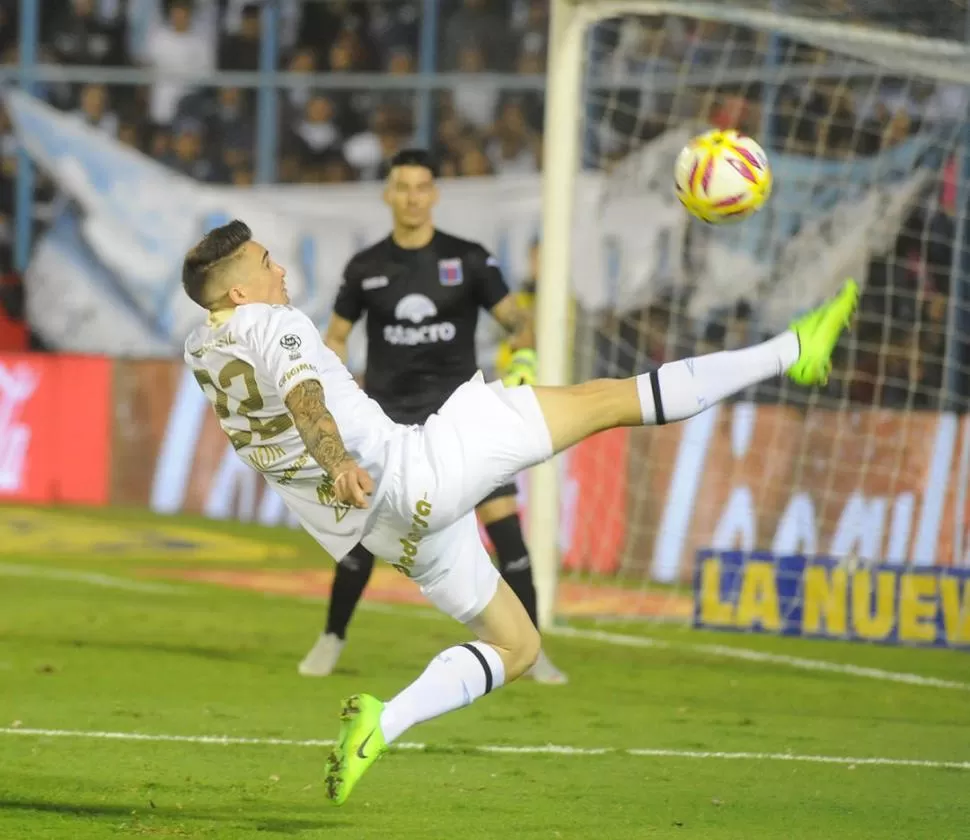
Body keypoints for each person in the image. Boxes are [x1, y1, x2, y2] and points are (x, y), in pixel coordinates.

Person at [181, 219, 858, 806]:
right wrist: (338, 459)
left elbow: (297, 397)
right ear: (240, 291)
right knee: (607, 400)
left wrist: (338, 458)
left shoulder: (201, 349)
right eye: (267, 263)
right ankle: (793, 351)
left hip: (386, 528)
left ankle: (381, 725)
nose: (280, 270)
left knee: (519, 645)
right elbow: (306, 398)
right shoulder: (272, 321)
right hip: (415, 470)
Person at [298, 148, 566, 684]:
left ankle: (533, 648)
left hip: (462, 424)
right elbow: (337, 337)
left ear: (434, 194)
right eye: (403, 187)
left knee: (506, 532)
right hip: (388, 426)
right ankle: (332, 637)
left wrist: (527, 358)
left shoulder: (468, 260)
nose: (413, 197)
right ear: (388, 194)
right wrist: (334, 374)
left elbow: (517, 322)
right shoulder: (366, 268)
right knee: (361, 537)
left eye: (422, 187)